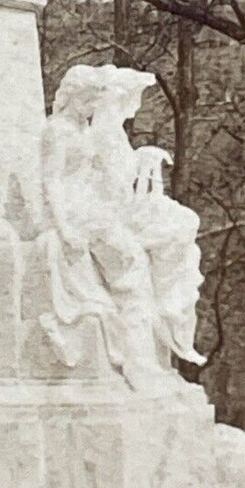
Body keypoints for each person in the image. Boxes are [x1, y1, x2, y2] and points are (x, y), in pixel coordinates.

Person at [40, 64, 205, 384]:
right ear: (72, 96)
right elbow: (52, 182)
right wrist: (64, 227)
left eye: (93, 100)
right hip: (79, 214)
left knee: (159, 245)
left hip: (95, 210)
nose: (91, 107)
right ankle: (137, 362)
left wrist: (141, 158)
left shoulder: (83, 129)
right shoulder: (57, 130)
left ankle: (147, 356)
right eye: (87, 100)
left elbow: (106, 173)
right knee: (131, 263)